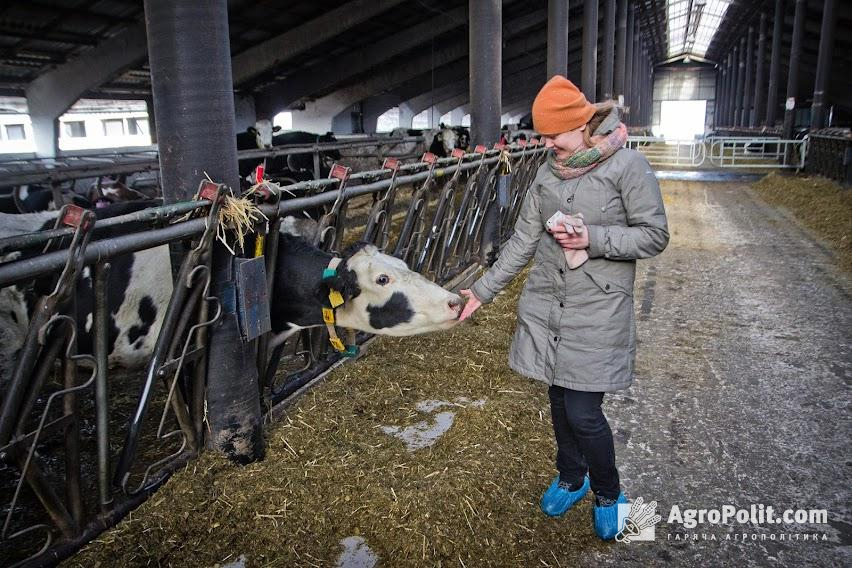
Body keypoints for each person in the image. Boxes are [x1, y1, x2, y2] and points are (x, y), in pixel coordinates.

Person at [458, 75, 669, 540]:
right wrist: (480, 291)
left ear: (581, 123)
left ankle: (610, 493)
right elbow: (523, 240)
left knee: (584, 413)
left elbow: (655, 235)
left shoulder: (628, 166)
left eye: (554, 133)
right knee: (558, 402)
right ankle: (572, 477)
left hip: (598, 308)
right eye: (543, 134)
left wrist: (593, 237)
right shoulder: (548, 171)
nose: (546, 142)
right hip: (547, 306)